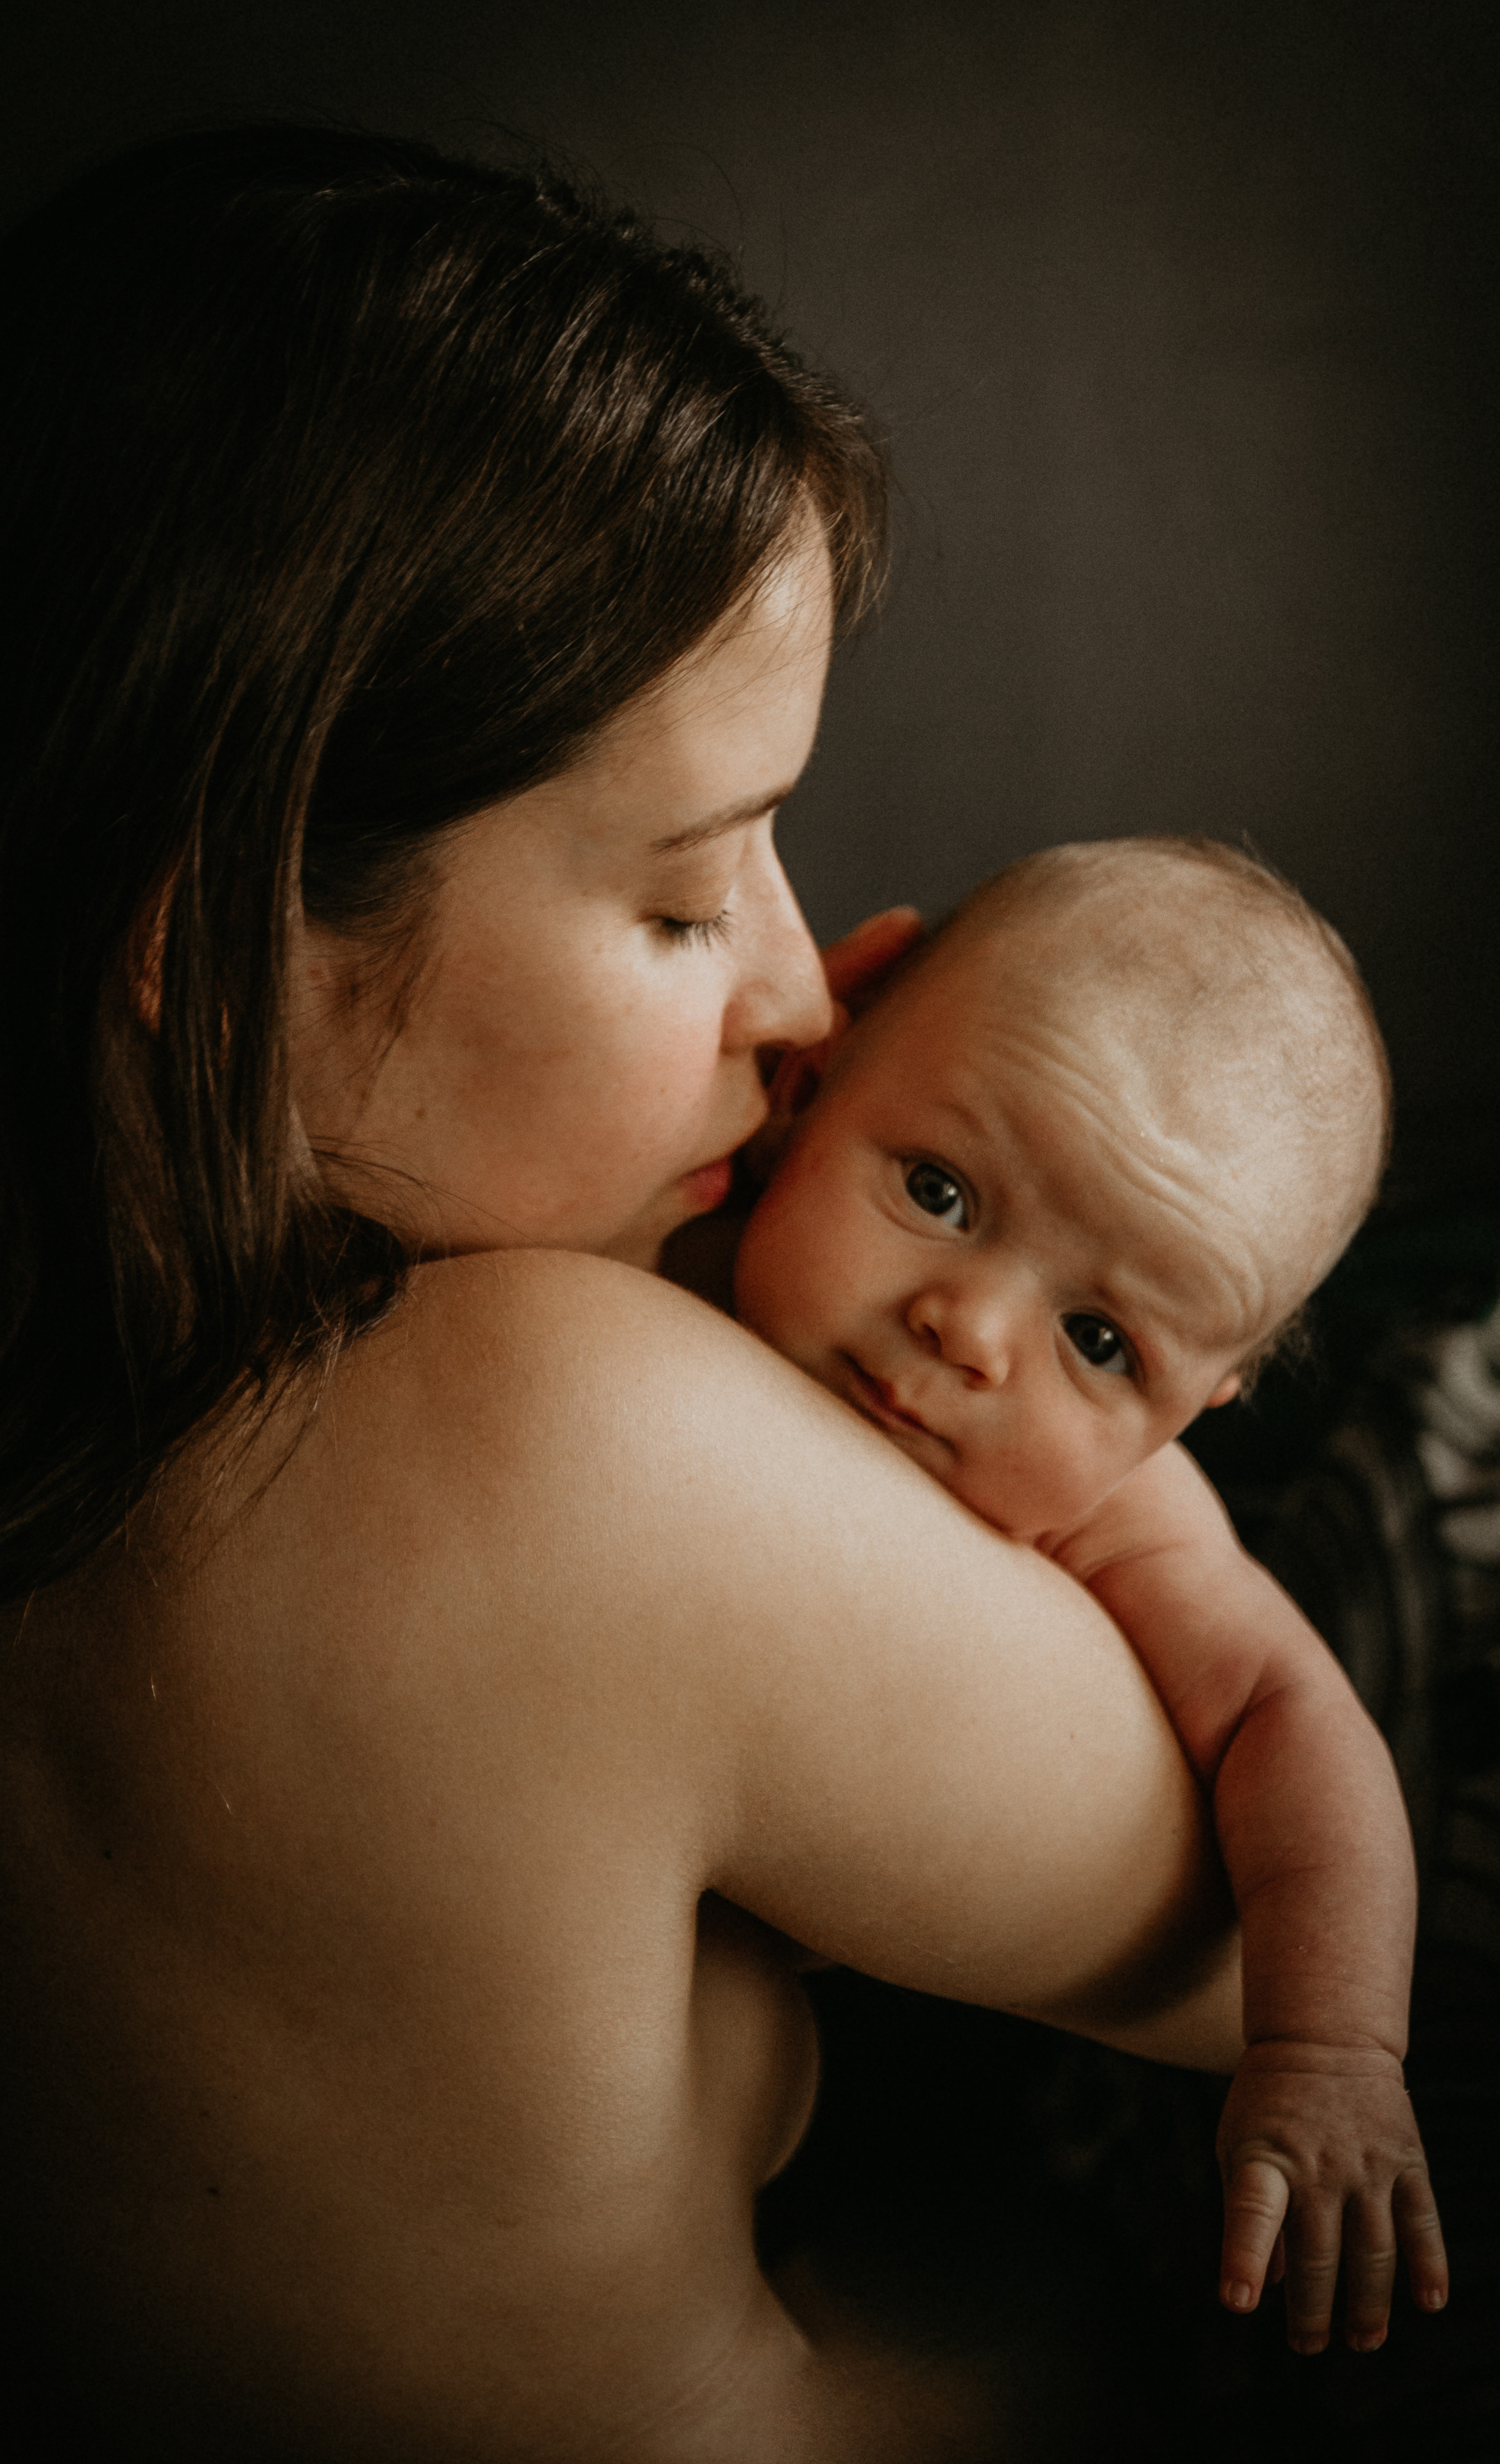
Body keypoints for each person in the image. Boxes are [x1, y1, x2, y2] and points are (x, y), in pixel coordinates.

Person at [1, 127, 1243, 2463]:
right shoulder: (548, 1429)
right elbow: (1269, 1948)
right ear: (219, 951)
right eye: (684, 900)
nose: (806, 989)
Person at [727, 837, 1450, 2350]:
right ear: (817, 1072)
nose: (970, 1329)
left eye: (1103, 1345)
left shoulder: (1125, 1511)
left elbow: (1287, 1712)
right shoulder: (663, 1252)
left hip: (913, 2056)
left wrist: (1328, 2052)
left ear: (1202, 1406)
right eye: (937, 1189)